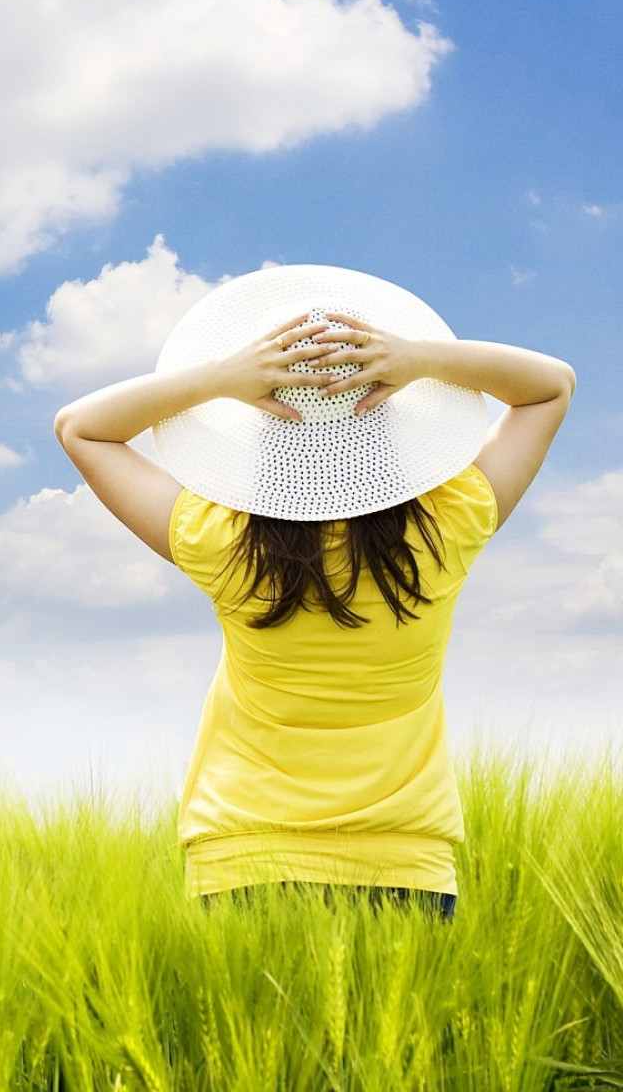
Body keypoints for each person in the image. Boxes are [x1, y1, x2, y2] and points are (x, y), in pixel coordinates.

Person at [53, 265, 574, 916]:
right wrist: (420, 359)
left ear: (266, 427)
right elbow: (551, 387)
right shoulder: (450, 525)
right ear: (389, 418)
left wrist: (219, 379)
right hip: (407, 863)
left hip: (243, 859)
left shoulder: (221, 540)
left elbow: (81, 427)